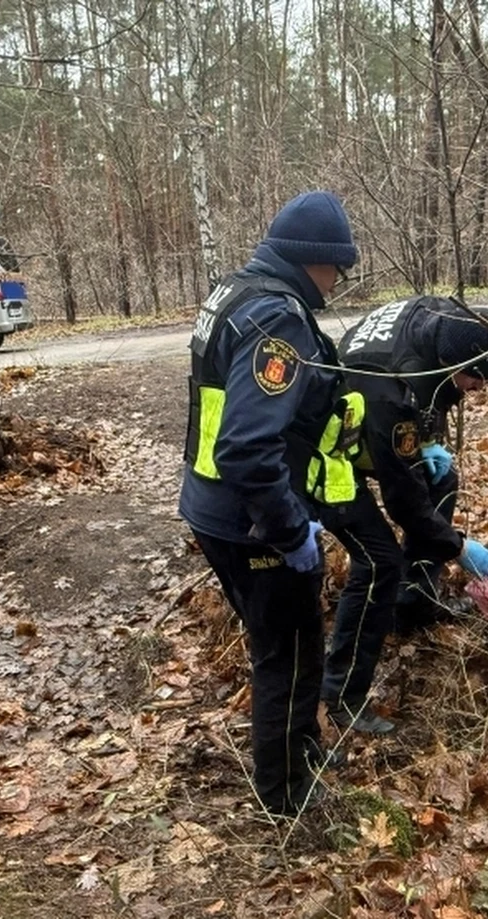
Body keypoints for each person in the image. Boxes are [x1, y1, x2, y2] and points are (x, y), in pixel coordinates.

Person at [178, 190, 363, 815]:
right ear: (314, 258)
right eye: (337, 267)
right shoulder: (276, 320)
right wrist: (288, 531)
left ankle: (301, 748)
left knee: (293, 637)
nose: (336, 283)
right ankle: (287, 798)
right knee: (285, 650)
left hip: (216, 507)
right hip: (251, 519)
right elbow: (248, 447)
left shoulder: (234, 292)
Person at [318, 295, 488, 734]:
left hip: (366, 424)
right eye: (475, 381)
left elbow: (426, 406)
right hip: (324, 458)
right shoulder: (394, 392)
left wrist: (425, 442)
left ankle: (415, 602)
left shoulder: (437, 317)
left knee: (442, 479)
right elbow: (404, 503)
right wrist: (460, 547)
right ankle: (339, 697)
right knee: (377, 561)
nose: (478, 390)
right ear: (452, 363)